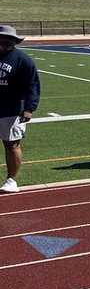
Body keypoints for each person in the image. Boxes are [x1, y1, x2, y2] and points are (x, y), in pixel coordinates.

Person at [0, 25, 40, 193]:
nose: (5, 40)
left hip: (13, 109)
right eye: (2, 37)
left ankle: (11, 180)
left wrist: (29, 108)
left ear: (14, 41)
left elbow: (32, 86)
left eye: (9, 38)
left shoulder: (23, 60)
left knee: (11, 144)